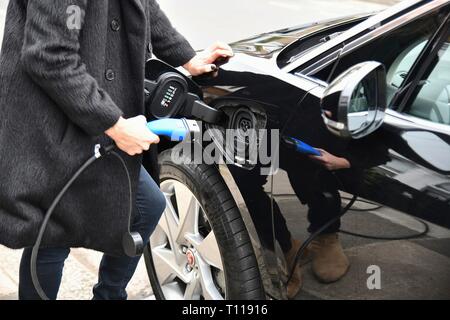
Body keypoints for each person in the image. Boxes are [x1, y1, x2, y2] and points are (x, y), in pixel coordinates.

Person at [0, 0, 233, 300]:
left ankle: (109, 295)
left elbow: (143, 7)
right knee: (51, 233)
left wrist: (187, 58)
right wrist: (115, 126)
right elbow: (49, 56)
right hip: (52, 117)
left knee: (147, 205)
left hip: (92, 107)